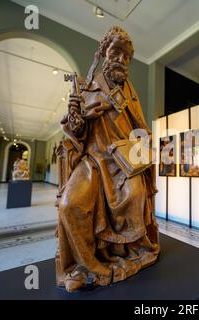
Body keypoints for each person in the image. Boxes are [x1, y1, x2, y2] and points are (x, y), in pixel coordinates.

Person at [56, 26, 159, 292]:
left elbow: (140, 129)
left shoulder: (129, 92)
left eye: (127, 57)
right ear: (104, 52)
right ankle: (86, 265)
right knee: (70, 205)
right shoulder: (86, 86)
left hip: (122, 163)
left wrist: (145, 145)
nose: (121, 60)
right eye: (116, 53)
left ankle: (129, 252)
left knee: (136, 195)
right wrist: (81, 117)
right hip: (93, 161)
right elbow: (74, 131)